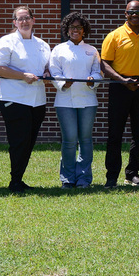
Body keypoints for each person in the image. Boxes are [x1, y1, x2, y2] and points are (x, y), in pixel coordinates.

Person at [0, 5, 51, 193]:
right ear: (15, 23)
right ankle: (14, 181)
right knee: (19, 141)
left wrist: (48, 72)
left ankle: (19, 178)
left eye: (27, 18)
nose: (24, 21)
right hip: (14, 99)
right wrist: (23, 75)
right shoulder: (7, 41)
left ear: (33, 20)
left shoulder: (42, 45)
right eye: (20, 19)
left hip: (37, 100)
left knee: (29, 141)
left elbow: (47, 67)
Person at [100, 0, 139, 187]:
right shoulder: (114, 36)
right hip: (119, 87)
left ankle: (133, 173)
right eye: (131, 11)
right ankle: (112, 176)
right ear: (125, 14)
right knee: (115, 133)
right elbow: (104, 64)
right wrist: (123, 81)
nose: (135, 14)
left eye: (138, 11)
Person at [50, 12, 101, 188]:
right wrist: (64, 83)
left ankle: (84, 178)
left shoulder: (91, 50)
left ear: (84, 30)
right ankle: (68, 178)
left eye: (79, 27)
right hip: (65, 100)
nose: (75, 30)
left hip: (88, 99)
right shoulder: (58, 49)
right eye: (72, 27)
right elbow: (54, 72)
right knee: (70, 139)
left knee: (85, 139)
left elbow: (97, 72)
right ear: (67, 30)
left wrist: (92, 80)